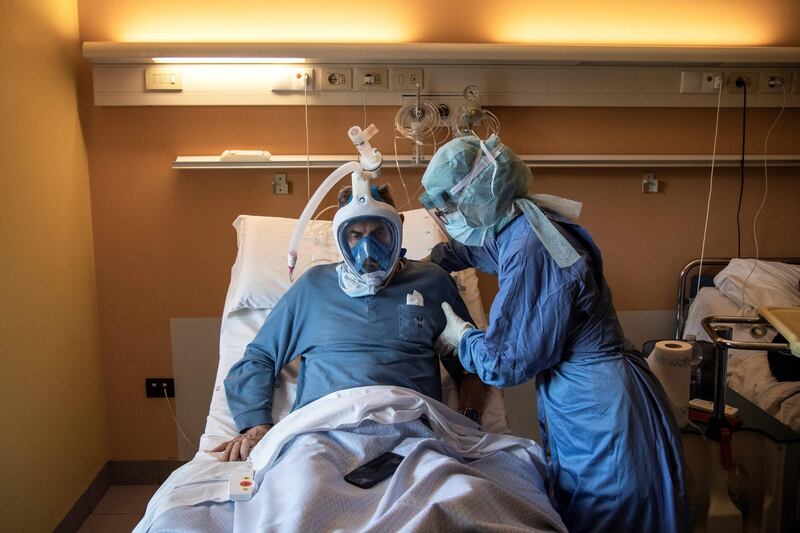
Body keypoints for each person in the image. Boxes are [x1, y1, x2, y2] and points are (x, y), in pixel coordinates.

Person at [420, 135, 689, 533]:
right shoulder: (525, 224)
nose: (447, 219)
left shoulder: (533, 246)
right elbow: (487, 251)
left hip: (599, 409)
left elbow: (507, 361)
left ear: (477, 197)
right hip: (598, 395)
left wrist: (464, 339)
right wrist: (433, 261)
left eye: (448, 209)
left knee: (609, 515)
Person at [215, 183, 485, 462]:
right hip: (323, 430)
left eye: (380, 232)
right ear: (339, 235)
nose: (369, 248)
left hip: (410, 430)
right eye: (356, 235)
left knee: (449, 492)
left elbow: (473, 366)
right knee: (300, 494)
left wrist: (467, 421)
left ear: (399, 226)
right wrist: (257, 426)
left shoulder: (432, 281)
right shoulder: (312, 287)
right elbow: (259, 358)